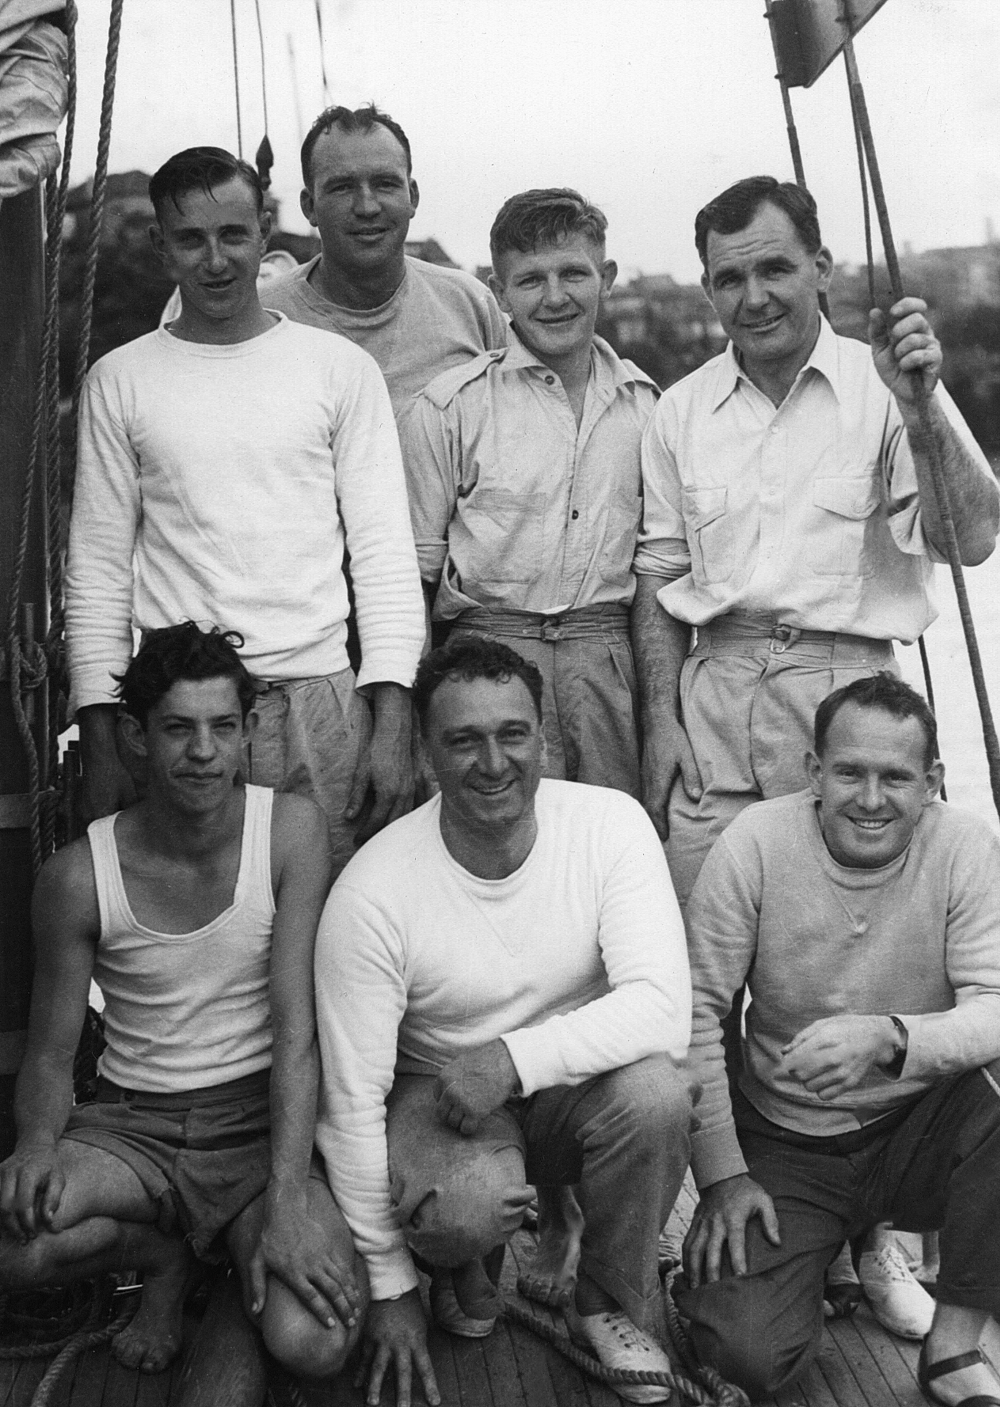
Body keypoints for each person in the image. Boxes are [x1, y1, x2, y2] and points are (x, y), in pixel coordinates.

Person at [313, 637, 693, 1407]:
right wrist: (390, 1289)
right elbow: (349, 1105)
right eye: (464, 739)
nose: (494, 761)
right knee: (464, 1210)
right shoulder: (373, 890)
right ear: (425, 754)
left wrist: (513, 1059)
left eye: (513, 734)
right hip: (438, 1094)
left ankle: (607, 1303)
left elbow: (662, 1010)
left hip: (566, 1087)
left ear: (543, 736)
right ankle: (463, 1257)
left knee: (657, 1095)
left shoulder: (611, 827)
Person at [0, 624, 366, 1384]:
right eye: (177, 728)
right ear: (135, 735)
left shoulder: (291, 832)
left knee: (317, 1341)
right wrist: (36, 1143)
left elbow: (299, 1036)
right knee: (13, 1242)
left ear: (248, 732)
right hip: (137, 1130)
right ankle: (162, 1252)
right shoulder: (78, 875)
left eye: (221, 727)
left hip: (260, 1128)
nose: (202, 751)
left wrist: (291, 1203)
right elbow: (48, 1053)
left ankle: (239, 1257)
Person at [632, 174, 999, 906]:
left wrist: (921, 406)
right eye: (730, 278)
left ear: (821, 268)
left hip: (852, 710)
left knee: (848, 943)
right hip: (714, 710)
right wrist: (662, 725)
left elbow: (973, 540)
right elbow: (657, 581)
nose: (755, 296)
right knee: (697, 951)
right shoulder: (677, 411)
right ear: (709, 289)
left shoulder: (890, 381)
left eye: (775, 269)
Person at [65, 146, 425, 876]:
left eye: (233, 234)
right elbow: (98, 571)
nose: (215, 259)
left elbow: (385, 555)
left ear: (265, 230)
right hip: (178, 712)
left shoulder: (339, 371)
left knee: (329, 939)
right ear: (162, 244)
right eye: (191, 239)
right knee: (192, 944)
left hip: (319, 705)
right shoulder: (120, 380)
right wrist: (101, 740)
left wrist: (390, 725)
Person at [679, 673, 1000, 1402]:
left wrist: (891, 1038)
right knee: (748, 1357)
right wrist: (723, 1172)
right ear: (813, 771)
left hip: (915, 1126)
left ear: (933, 782)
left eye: (896, 776)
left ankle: (954, 1343)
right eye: (849, 771)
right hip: (790, 1139)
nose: (870, 797)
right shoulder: (753, 843)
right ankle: (809, 1255)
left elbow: (997, 1003)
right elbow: (696, 1012)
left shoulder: (968, 846)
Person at [400, 188, 659, 799]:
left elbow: (660, 578)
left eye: (574, 273)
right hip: (482, 665)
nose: (555, 297)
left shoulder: (649, 410)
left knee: (606, 846)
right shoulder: (451, 407)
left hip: (606, 671)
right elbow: (410, 581)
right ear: (498, 290)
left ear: (608, 277)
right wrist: (409, 726)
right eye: (531, 279)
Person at [263, 103, 507, 417]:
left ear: (412, 196)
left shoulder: (470, 305)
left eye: (385, 184)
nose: (367, 207)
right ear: (310, 206)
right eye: (342, 187)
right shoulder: (266, 318)